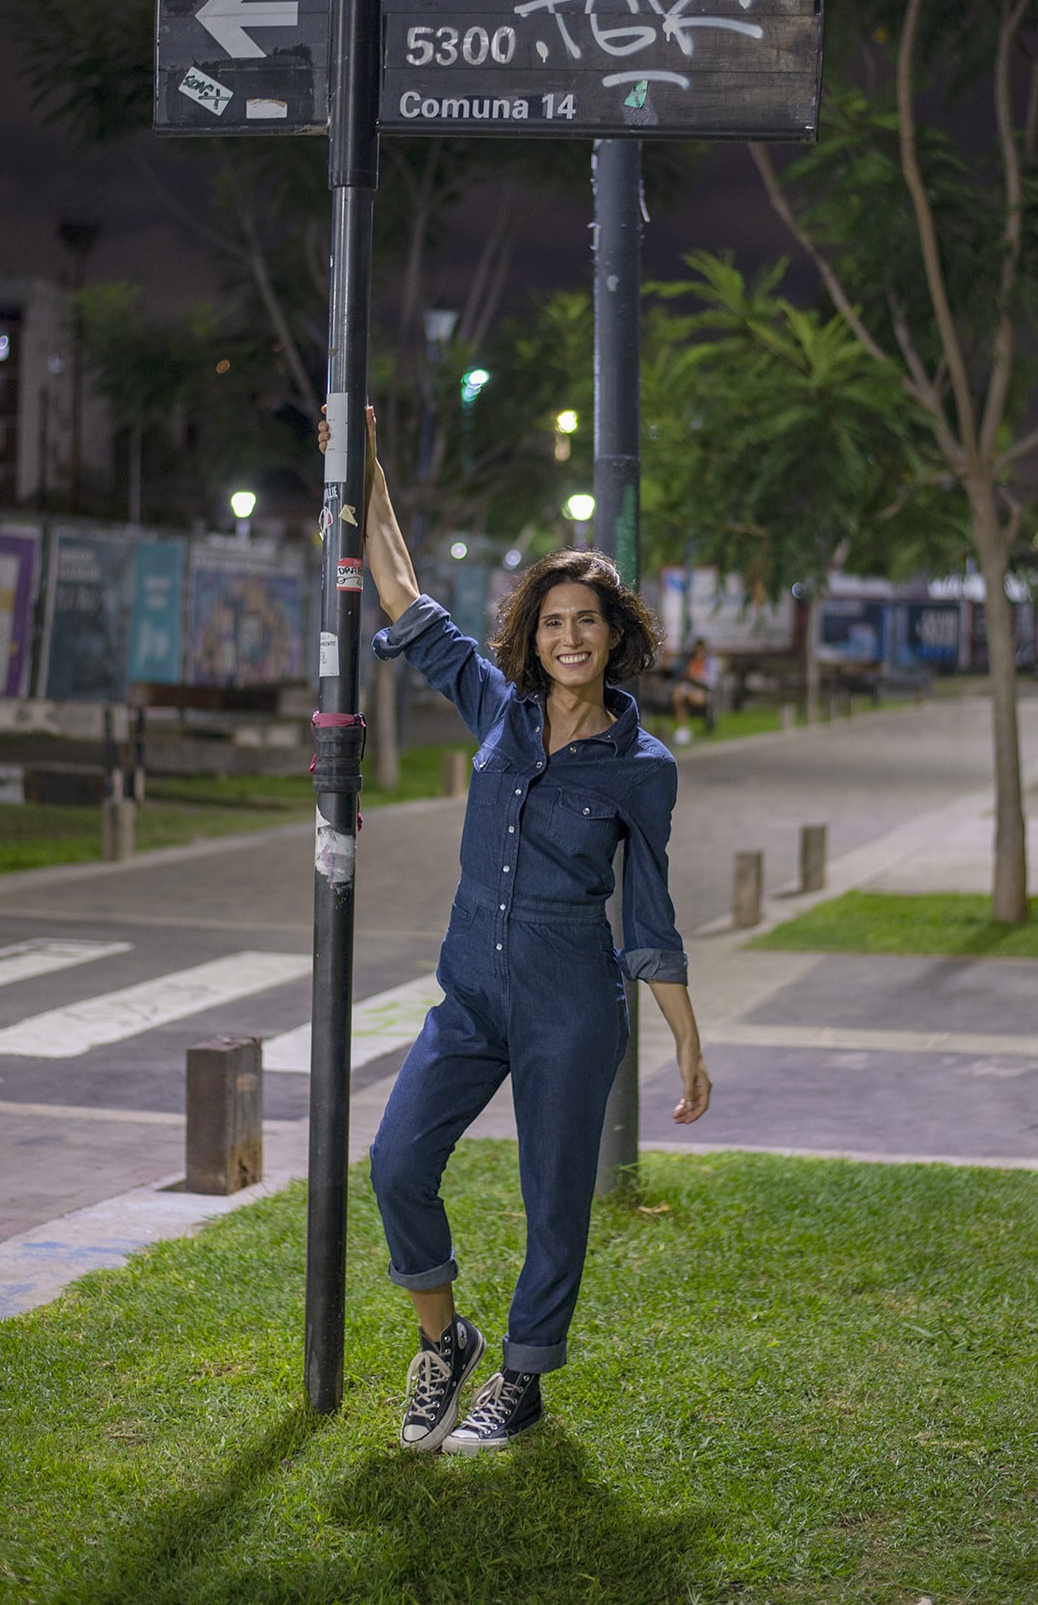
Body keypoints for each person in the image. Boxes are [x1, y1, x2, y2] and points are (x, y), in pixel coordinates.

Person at [320, 409, 711, 1456]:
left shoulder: (642, 764)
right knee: (397, 1161)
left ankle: (523, 1378)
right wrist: (363, 464)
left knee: (552, 1201)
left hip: (570, 996)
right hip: (470, 989)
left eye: (584, 620)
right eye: (550, 621)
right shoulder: (494, 709)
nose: (567, 636)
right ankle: (444, 1342)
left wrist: (682, 1031)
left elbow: (651, 903)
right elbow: (400, 586)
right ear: (529, 635)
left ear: (612, 634)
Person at [670, 637, 714, 745]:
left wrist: (698, 678)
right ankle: (683, 729)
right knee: (679, 696)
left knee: (684, 696)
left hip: (702, 690)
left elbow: (711, 681)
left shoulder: (710, 663)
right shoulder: (689, 662)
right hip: (689, 688)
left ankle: (683, 729)